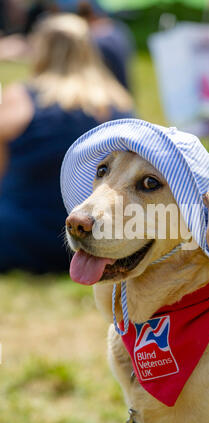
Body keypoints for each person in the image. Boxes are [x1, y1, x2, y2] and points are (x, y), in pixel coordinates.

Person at [0, 13, 134, 273]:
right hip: (93, 242)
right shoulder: (120, 104)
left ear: (42, 49)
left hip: (19, 236)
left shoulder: (21, 98)